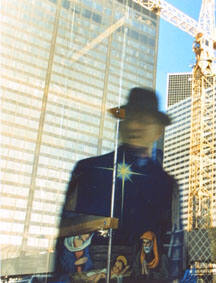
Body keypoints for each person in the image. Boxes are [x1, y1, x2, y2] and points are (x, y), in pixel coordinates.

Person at [56, 87, 177, 279]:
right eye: (131, 118)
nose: (137, 126)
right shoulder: (88, 171)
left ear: (158, 131)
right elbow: (67, 241)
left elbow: (168, 246)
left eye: (144, 121)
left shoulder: (167, 184)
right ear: (122, 126)